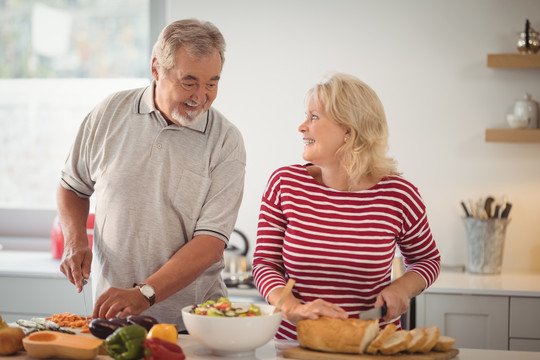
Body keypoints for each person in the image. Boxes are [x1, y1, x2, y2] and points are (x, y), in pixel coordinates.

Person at [57, 18, 246, 331]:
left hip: (193, 324)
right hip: (111, 321)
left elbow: (210, 243)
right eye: (189, 82)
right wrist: (75, 241)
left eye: (212, 83)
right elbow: (72, 187)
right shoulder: (109, 113)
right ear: (157, 69)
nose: (201, 96)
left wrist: (144, 293)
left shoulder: (226, 141)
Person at [252, 72, 440, 340]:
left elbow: (426, 260)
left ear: (349, 130)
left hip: (371, 344)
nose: (302, 127)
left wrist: (401, 289)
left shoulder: (399, 195)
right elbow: (264, 263)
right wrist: (292, 307)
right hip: (297, 343)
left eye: (314, 117)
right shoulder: (285, 184)